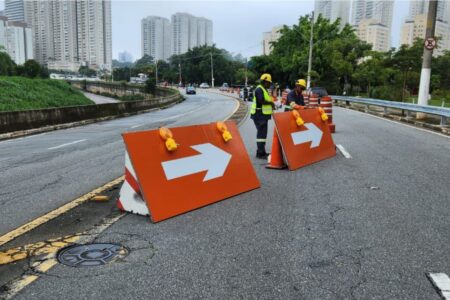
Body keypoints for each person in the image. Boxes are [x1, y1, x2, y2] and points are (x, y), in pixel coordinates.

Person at [251, 73, 275, 159]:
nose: (269, 84)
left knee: (262, 134)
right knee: (261, 135)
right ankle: (260, 153)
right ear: (265, 81)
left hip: (262, 115)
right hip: (259, 115)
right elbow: (261, 101)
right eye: (269, 82)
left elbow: (265, 101)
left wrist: (271, 104)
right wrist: (271, 103)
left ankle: (262, 151)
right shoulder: (259, 89)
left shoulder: (263, 89)